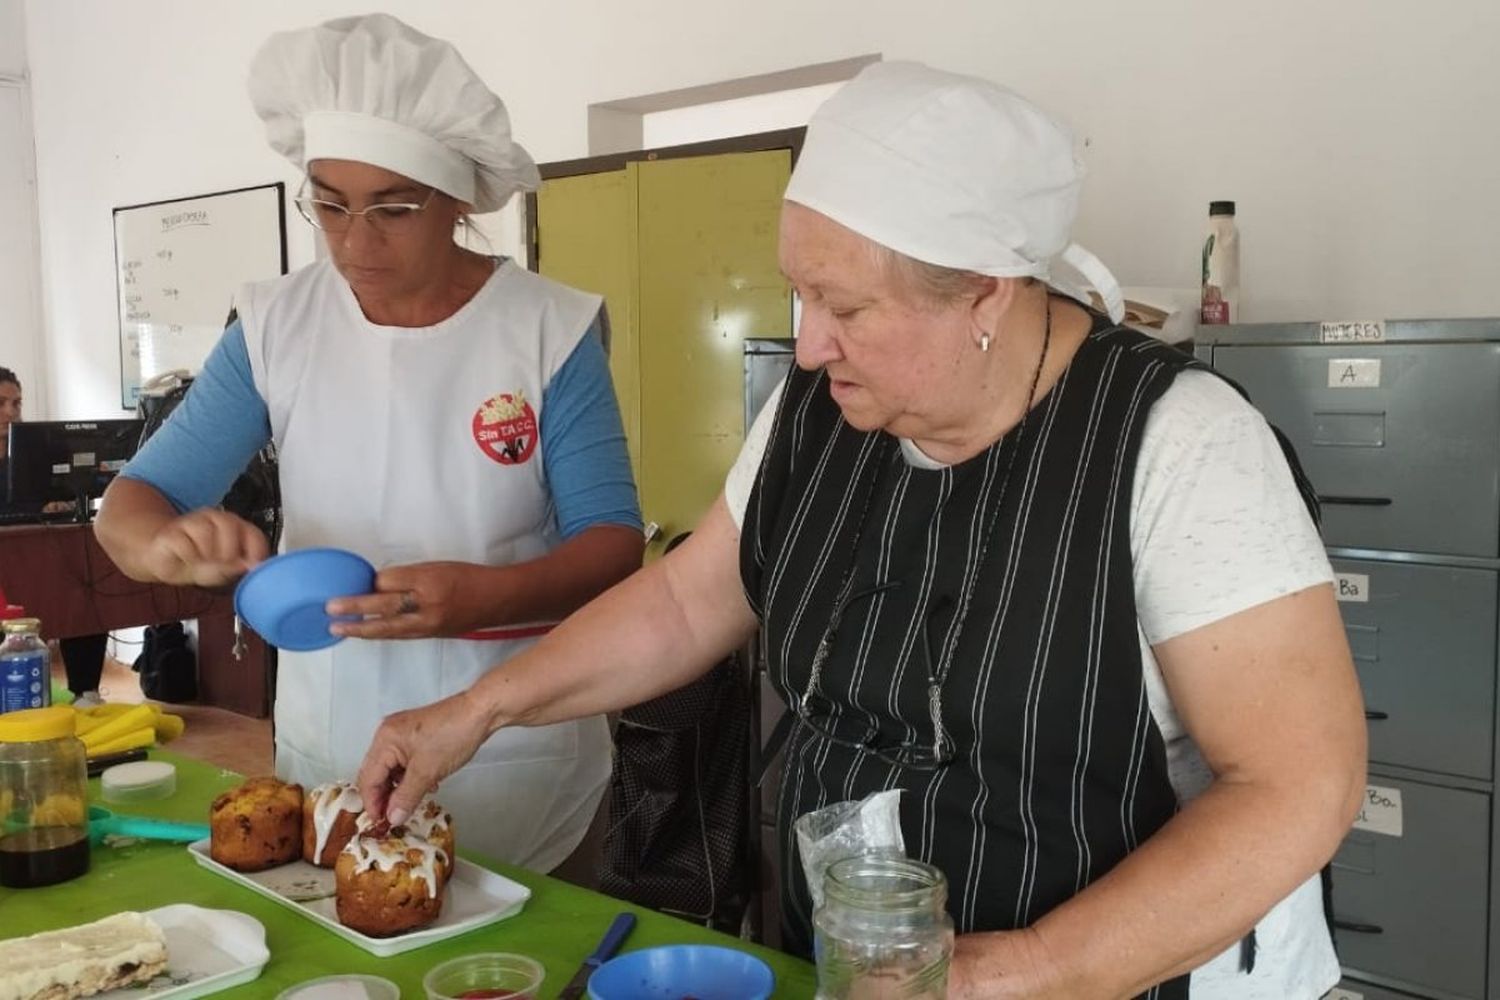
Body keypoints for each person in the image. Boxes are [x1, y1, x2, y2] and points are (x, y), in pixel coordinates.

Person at [357, 63, 1367, 998]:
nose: (807, 340)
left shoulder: (1181, 448)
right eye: (800, 291)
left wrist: (1003, 974)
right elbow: (682, 602)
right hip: (858, 959)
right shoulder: (816, 411)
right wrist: (478, 711)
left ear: (985, 292)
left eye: (844, 304)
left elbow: (1295, 787)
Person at [94, 13, 643, 871]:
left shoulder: (547, 331)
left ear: (459, 198)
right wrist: (165, 545)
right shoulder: (279, 325)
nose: (355, 242)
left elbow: (613, 548)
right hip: (334, 745)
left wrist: (483, 600)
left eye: (393, 207)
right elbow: (131, 503)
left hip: (515, 747)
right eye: (330, 203)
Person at [0, 365, 110, 707]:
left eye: (17, 403)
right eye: (2, 403)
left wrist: (59, 504)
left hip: (38, 550)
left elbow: (49, 498)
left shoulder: (36, 454)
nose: (11, 412)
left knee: (84, 580)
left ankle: (86, 691)